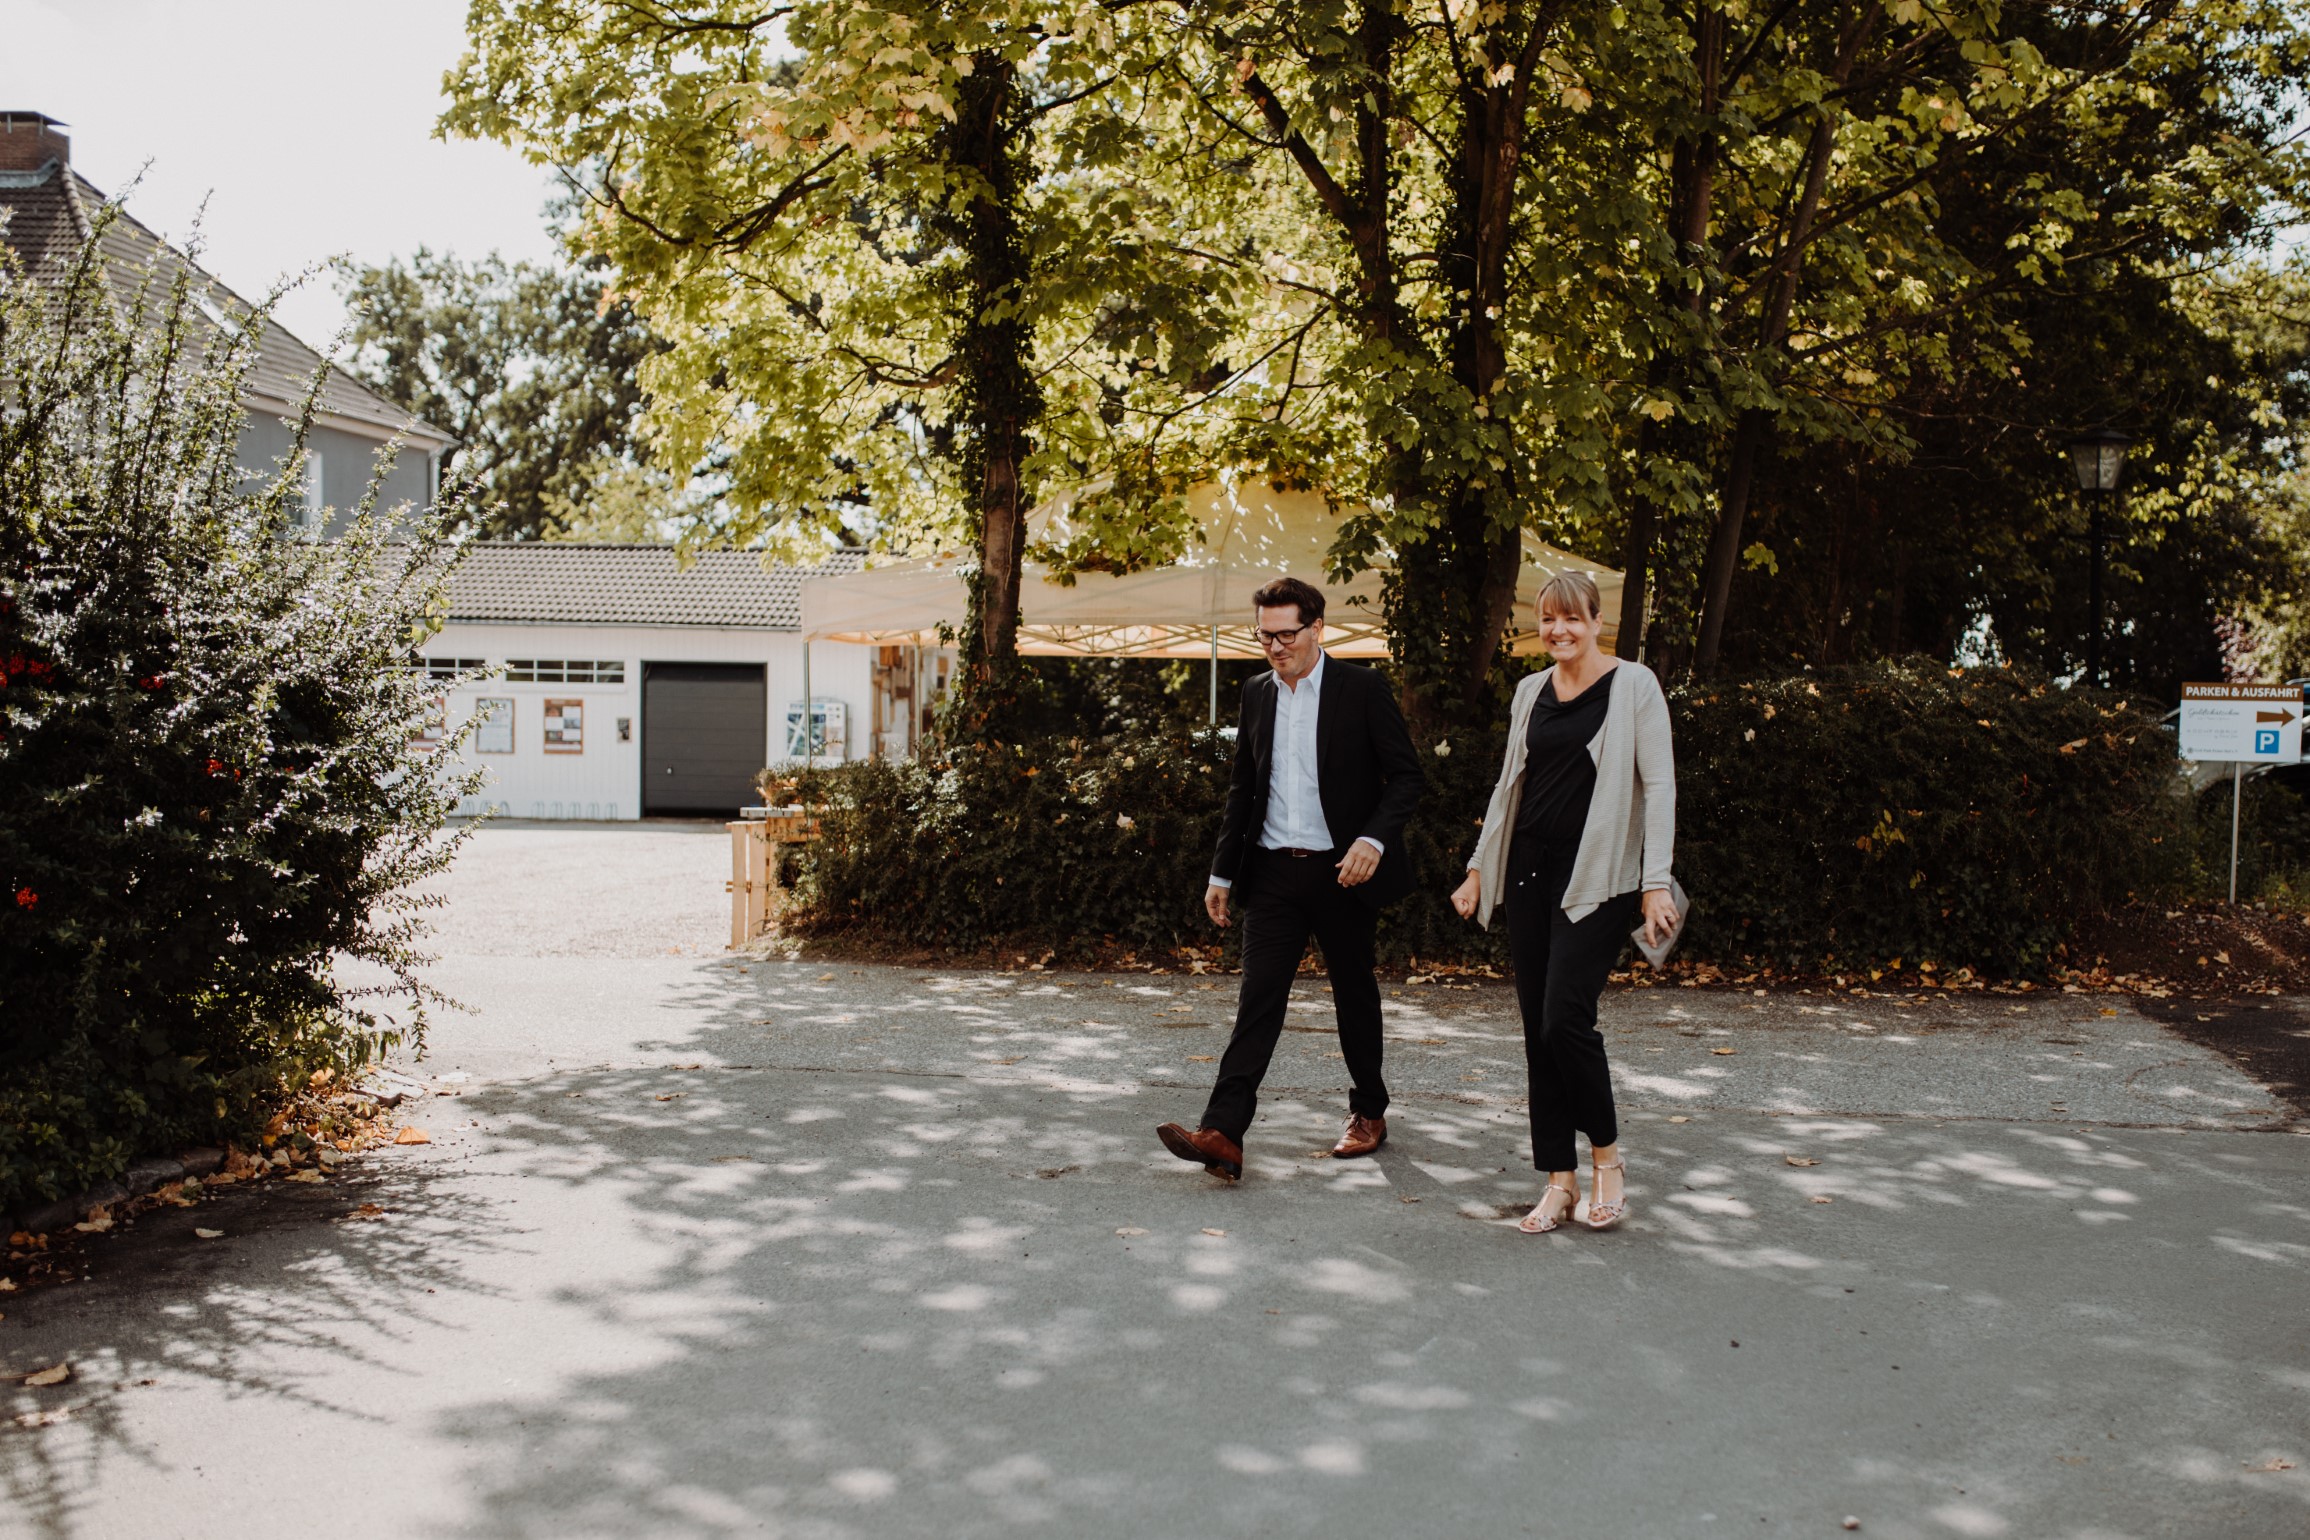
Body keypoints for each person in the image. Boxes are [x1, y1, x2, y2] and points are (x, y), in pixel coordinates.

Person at [1157, 576, 1425, 1181]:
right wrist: (1222, 872)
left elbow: (1407, 776)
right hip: (1274, 870)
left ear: (1316, 628)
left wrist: (1372, 840)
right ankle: (1223, 1132)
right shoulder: (1257, 693)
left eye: (1286, 634)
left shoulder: (1361, 688)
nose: (1276, 647)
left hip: (1343, 871)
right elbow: (1244, 788)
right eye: (1265, 636)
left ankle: (1369, 1112)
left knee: (1354, 994)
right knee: (1258, 997)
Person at [1451, 572, 1677, 1233]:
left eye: (1572, 618)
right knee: (1536, 1032)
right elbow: (1508, 788)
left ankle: (1607, 1159)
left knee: (1564, 1021)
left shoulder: (1634, 686)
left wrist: (1655, 881)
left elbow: (1660, 787)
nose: (1559, 630)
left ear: (1597, 622)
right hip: (1528, 871)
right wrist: (1477, 869)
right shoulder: (1530, 691)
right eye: (1549, 619)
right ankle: (1558, 1179)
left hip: (1598, 878)